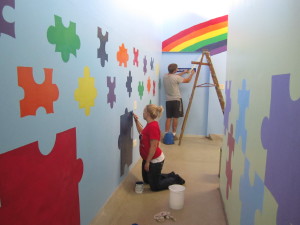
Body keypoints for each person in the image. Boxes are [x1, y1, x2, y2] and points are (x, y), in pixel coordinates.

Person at [133, 104, 185, 191]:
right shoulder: (149, 124)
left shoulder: (153, 127)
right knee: (147, 180)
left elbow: (153, 147)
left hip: (155, 160)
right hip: (148, 158)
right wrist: (136, 121)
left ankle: (175, 179)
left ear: (148, 114)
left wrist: (148, 162)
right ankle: (169, 175)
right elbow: (141, 132)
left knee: (155, 187)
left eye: (144, 111)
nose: (143, 112)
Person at [163, 63, 195, 140]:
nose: (177, 70)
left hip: (168, 100)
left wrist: (183, 72)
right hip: (176, 100)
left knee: (168, 118)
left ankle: (166, 134)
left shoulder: (165, 76)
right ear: (174, 70)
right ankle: (174, 134)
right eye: (176, 69)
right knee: (175, 118)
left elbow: (175, 76)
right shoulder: (176, 77)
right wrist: (191, 74)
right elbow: (187, 80)